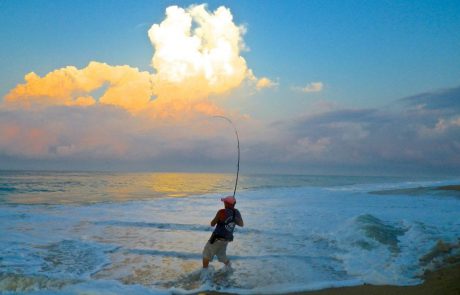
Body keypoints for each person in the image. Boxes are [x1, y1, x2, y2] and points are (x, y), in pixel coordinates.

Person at [202, 195, 244, 269]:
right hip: (226, 239)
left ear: (228, 204)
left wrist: (218, 218)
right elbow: (241, 224)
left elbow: (212, 224)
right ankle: (229, 268)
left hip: (216, 238)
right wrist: (233, 218)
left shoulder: (221, 212)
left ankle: (205, 272)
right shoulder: (236, 212)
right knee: (221, 255)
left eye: (224, 202)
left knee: (206, 254)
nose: (224, 203)